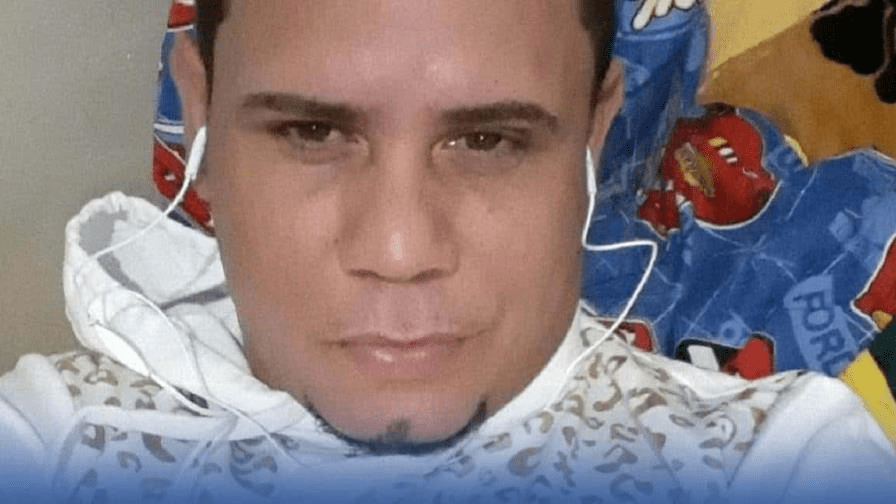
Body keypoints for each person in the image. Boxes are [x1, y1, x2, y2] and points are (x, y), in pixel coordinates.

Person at [0, 1, 894, 502]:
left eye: (489, 142)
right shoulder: (49, 439)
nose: (399, 250)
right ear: (198, 110)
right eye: (313, 132)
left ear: (594, 132)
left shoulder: (776, 461)